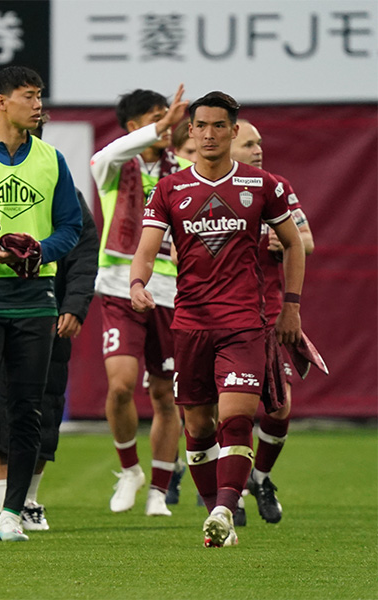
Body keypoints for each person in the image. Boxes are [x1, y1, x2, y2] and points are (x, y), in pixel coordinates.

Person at [130, 91, 305, 547]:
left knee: (237, 416)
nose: (209, 134)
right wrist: (137, 283)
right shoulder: (169, 190)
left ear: (232, 130)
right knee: (199, 426)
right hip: (189, 323)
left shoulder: (261, 185)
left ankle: (227, 507)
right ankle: (217, 517)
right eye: (201, 126)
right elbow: (146, 247)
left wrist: (291, 304)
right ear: (190, 131)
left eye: (218, 126)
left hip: (245, 322)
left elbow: (296, 243)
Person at [0, 66, 82, 542]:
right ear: (2, 102)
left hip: (36, 300)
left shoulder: (52, 158)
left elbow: (71, 227)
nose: (38, 104)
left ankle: (13, 511)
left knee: (27, 409)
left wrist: (39, 252)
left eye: (40, 97)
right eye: (29, 97)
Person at [90, 86, 190, 516]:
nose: (167, 125)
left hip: (172, 292)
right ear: (135, 127)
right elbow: (104, 155)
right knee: (120, 385)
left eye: (168, 117)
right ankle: (130, 470)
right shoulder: (114, 168)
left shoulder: (185, 170)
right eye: (155, 118)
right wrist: (158, 129)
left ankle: (159, 490)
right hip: (118, 286)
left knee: (167, 395)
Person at [0, 188, 99, 531]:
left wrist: (74, 305)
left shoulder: (57, 182)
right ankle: (4, 498)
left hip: (47, 311)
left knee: (44, 405)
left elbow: (84, 250)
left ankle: (27, 499)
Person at [230, 119, 315, 525]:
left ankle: (260, 478)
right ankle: (233, 493)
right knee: (231, 410)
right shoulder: (196, 189)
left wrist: (275, 240)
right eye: (248, 144)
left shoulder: (274, 187)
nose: (258, 149)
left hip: (269, 313)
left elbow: (306, 240)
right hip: (222, 314)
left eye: (259, 143)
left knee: (279, 408)